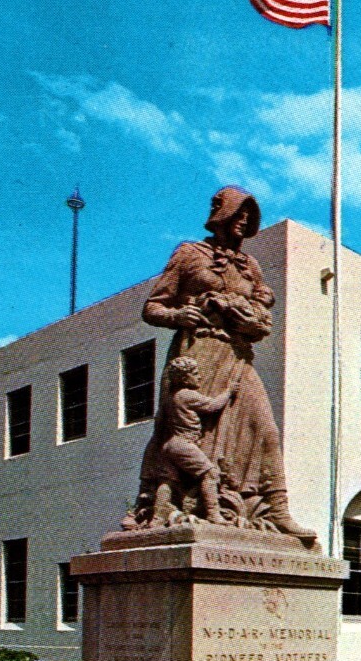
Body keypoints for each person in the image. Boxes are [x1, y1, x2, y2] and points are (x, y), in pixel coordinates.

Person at [124, 186, 314, 539]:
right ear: (222, 214)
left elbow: (263, 307)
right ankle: (175, 506)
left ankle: (279, 510)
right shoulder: (189, 254)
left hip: (237, 356)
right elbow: (152, 307)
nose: (244, 222)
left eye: (250, 217)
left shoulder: (250, 266)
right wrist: (179, 314)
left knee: (266, 430)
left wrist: (245, 316)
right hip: (195, 356)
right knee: (187, 436)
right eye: (239, 214)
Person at [157, 357, 237, 523]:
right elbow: (212, 406)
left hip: (169, 445)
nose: (199, 377)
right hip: (183, 443)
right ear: (185, 379)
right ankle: (214, 514)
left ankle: (156, 517)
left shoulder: (170, 397)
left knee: (167, 481)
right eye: (195, 373)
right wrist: (228, 391)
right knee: (210, 474)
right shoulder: (187, 395)